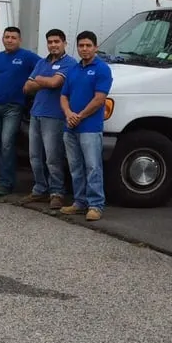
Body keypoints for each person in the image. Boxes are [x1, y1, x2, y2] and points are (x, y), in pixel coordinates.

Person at [0, 26, 41, 196]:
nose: (10, 40)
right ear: (3, 39)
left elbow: (45, 67)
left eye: (13, 37)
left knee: (7, 144)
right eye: (7, 37)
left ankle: (6, 183)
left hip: (14, 107)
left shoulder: (27, 56)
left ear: (19, 40)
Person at [60, 31, 113, 222]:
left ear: (95, 47)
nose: (84, 49)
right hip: (70, 127)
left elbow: (99, 99)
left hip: (90, 127)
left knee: (93, 167)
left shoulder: (102, 69)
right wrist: (68, 114)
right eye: (81, 45)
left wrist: (80, 116)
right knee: (75, 167)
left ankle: (95, 205)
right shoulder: (74, 69)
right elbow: (63, 96)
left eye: (88, 45)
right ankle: (79, 202)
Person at [22, 28, 76, 208]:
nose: (53, 45)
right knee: (34, 156)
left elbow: (55, 83)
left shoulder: (70, 63)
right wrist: (44, 80)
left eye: (57, 42)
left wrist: (38, 79)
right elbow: (26, 88)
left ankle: (57, 192)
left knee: (53, 158)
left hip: (55, 116)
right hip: (36, 114)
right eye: (50, 42)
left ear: (64, 43)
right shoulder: (42, 62)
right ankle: (40, 189)